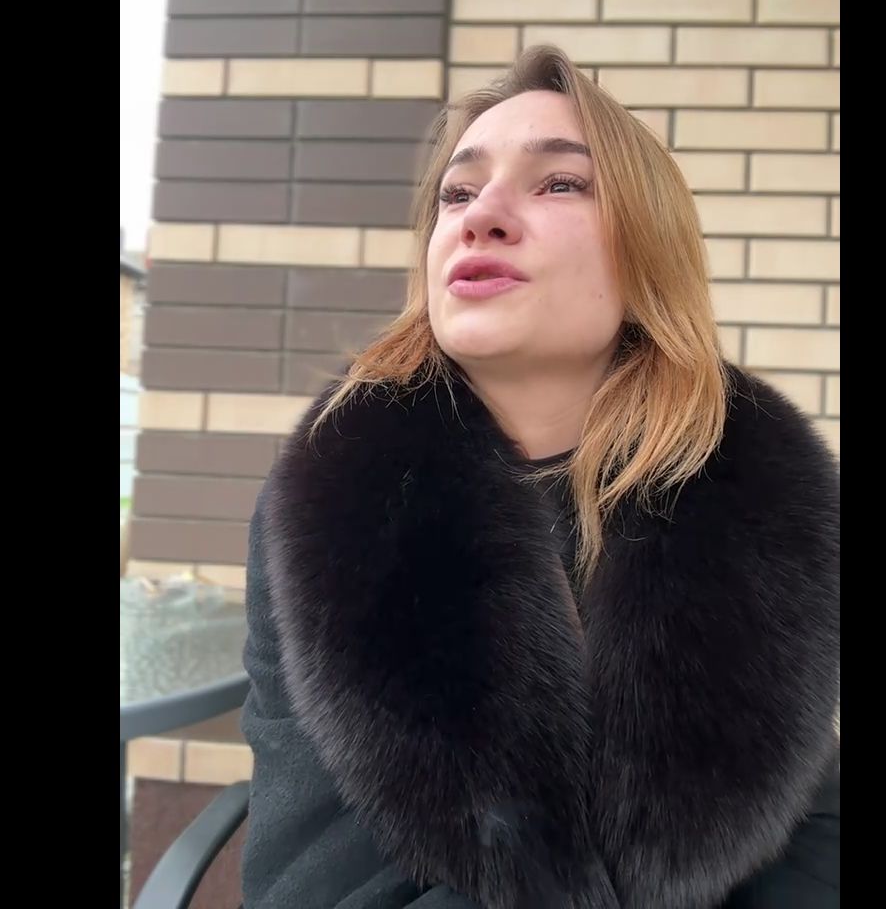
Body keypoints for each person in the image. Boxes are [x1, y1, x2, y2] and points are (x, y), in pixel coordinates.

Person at [240, 45, 840, 909]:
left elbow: (808, 823)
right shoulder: (337, 499)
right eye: (458, 193)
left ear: (648, 249)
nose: (482, 216)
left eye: (559, 183)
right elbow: (311, 878)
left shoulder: (754, 493)